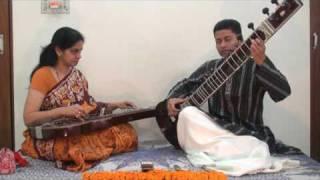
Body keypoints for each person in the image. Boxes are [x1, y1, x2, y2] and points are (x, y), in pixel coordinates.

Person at [163, 19, 301, 175]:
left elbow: (283, 92)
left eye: (227, 39)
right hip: (217, 133)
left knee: (257, 146)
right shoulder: (211, 67)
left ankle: (224, 152)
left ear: (241, 41)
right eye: (218, 41)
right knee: (188, 113)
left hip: (247, 135)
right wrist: (171, 99)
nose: (222, 45)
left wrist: (263, 63)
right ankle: (229, 152)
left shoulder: (256, 65)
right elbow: (186, 84)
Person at [21, 27, 138, 172]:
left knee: (126, 131)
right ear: (58, 50)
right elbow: (29, 118)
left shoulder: (77, 76)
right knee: (75, 147)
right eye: (74, 51)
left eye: (80, 51)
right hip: (54, 136)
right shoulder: (43, 75)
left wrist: (113, 105)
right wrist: (61, 112)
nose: (79, 56)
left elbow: (88, 108)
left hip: (77, 130)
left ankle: (87, 152)